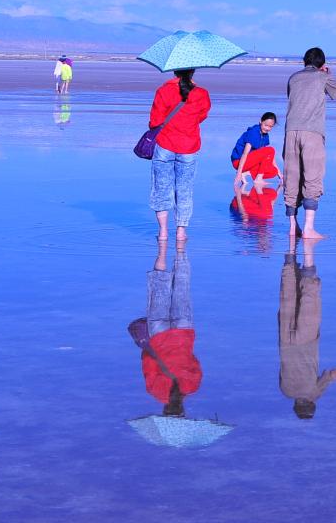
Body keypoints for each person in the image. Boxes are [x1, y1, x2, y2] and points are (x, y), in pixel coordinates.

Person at [128, 240, 201, 419]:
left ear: (183, 411)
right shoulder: (155, 391)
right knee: (160, 284)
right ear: (164, 412)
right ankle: (162, 249)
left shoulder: (192, 386)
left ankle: (181, 249)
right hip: (159, 335)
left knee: (182, 286)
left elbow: (194, 361)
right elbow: (147, 359)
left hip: (183, 334)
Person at [283, 47, 336, 241]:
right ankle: (309, 228)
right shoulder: (322, 77)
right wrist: (328, 74)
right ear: (321, 63)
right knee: (312, 177)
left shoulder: (293, 78)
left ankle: (293, 227)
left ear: (304, 61)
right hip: (312, 131)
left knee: (292, 177)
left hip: (291, 131)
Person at [148, 67, 211, 243]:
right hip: (189, 146)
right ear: (193, 72)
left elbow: (155, 121)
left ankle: (162, 232)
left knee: (161, 189)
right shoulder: (202, 93)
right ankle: (181, 232)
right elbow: (201, 116)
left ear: (174, 71)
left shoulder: (163, 91)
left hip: (165, 145)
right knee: (184, 190)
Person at [279, 240, 336, 419]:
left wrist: (325, 384)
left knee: (310, 300)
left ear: (311, 404)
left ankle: (308, 259)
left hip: (306, 342)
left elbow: (332, 375)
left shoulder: (313, 393)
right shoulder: (285, 391)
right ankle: (290, 259)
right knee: (287, 300)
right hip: (285, 342)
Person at [231, 112, 280, 220]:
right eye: (266, 125)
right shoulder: (254, 133)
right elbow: (245, 154)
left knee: (273, 172)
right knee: (270, 150)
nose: (267, 128)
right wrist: (239, 173)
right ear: (260, 122)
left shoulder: (265, 135)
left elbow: (269, 156)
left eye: (270, 126)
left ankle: (248, 173)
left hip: (249, 163)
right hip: (239, 162)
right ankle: (257, 178)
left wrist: (279, 173)